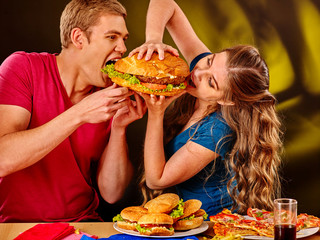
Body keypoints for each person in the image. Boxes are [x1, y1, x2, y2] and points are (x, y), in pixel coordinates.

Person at [130, 0, 283, 216]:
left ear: (228, 101)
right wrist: (154, 39)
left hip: (212, 227)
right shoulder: (204, 71)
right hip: (185, 221)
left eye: (211, 82)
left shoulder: (218, 129)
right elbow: (164, 3)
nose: (197, 72)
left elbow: (157, 179)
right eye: (210, 60)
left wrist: (156, 113)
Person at [0, 0, 146, 222]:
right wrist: (80, 113)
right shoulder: (23, 68)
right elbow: (3, 158)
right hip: (15, 226)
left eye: (123, 39)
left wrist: (118, 128)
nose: (123, 48)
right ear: (78, 38)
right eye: (111, 37)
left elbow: (112, 193)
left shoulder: (107, 95)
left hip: (83, 224)